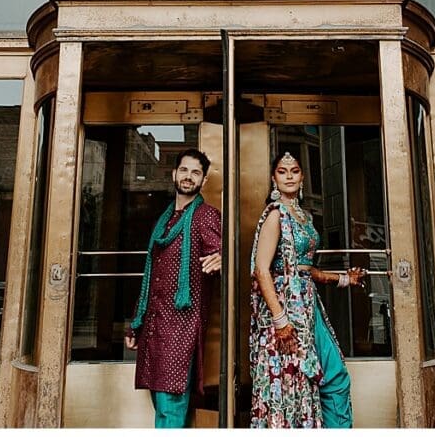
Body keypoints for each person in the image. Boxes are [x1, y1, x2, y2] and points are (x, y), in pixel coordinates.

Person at [249, 150, 365, 428]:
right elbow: (261, 270)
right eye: (282, 171)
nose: (289, 176)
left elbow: (305, 268)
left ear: (302, 177)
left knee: (334, 376)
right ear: (273, 178)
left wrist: (343, 279)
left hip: (308, 304)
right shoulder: (275, 215)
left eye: (295, 171)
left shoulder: (303, 217)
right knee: (293, 382)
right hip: (285, 309)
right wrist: (280, 321)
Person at [126, 148, 222, 428]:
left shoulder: (206, 216)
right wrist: (136, 325)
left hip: (182, 327)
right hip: (156, 325)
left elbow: (221, 252)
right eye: (184, 170)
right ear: (174, 174)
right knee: (161, 403)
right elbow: (152, 276)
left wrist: (222, 258)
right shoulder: (164, 219)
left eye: (195, 172)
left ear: (203, 180)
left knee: (170, 406)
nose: (188, 177)